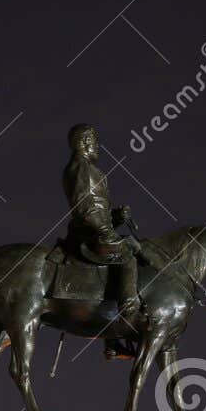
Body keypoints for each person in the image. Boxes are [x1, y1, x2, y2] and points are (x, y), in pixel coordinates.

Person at [62, 124, 143, 330]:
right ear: (86, 142)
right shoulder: (82, 168)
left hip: (94, 230)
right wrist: (106, 231)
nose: (97, 148)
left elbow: (97, 209)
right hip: (89, 235)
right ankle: (129, 311)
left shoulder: (86, 168)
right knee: (128, 255)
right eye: (95, 143)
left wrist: (115, 217)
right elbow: (85, 206)